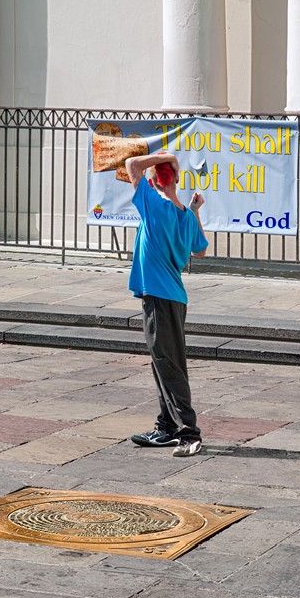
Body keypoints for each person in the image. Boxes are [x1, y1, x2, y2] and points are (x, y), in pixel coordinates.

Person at [124, 150, 209, 457]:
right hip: (173, 296)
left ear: (153, 178)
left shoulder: (153, 204)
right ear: (176, 178)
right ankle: (166, 427)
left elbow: (131, 164)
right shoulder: (184, 214)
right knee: (164, 362)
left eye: (158, 171)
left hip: (159, 296)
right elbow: (199, 250)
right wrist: (196, 209)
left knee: (168, 365)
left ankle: (188, 432)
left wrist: (164, 155)